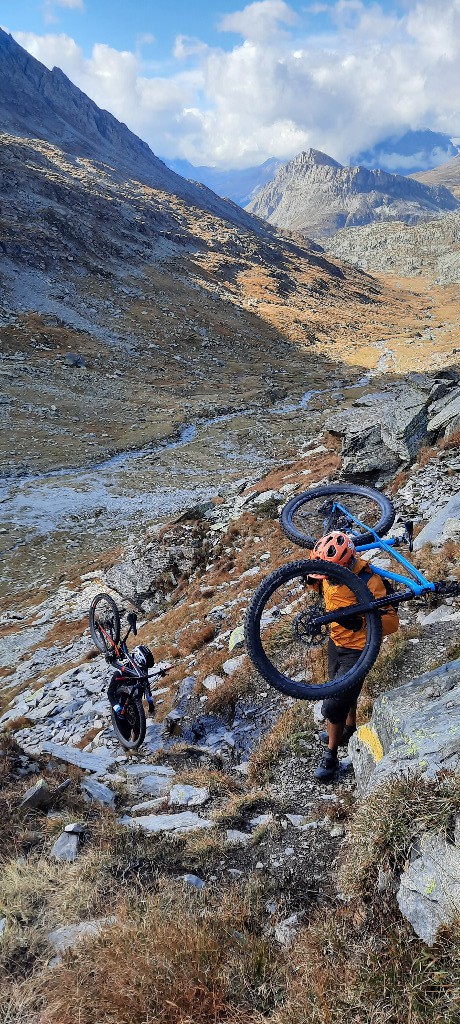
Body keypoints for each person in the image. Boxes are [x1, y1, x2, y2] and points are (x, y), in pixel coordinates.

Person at [307, 531, 398, 783]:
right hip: (336, 643)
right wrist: (310, 578)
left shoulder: (369, 581)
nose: (328, 578)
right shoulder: (329, 568)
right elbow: (319, 583)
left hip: (359, 650)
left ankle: (331, 758)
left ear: (347, 563)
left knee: (333, 706)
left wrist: (360, 621)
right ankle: (348, 730)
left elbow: (392, 622)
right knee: (346, 693)